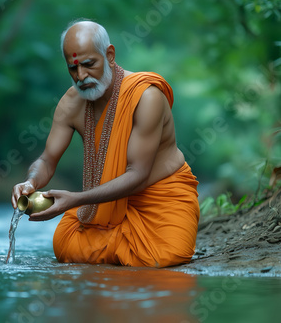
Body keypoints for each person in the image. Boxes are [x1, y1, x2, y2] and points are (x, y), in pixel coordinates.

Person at [11, 20, 199, 268]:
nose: (81, 76)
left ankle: (118, 250)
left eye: (89, 64)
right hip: (104, 208)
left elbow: (138, 174)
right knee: (64, 243)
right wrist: (30, 181)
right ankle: (117, 249)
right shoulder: (71, 103)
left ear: (110, 55)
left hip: (158, 205)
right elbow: (47, 160)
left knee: (161, 256)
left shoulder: (146, 96)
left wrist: (77, 199)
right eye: (73, 68)